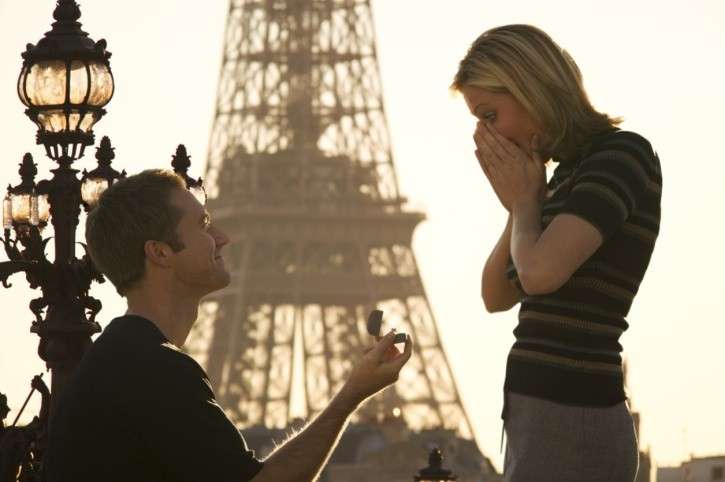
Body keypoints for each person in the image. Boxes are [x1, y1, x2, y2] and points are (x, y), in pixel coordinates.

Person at [44, 170, 412, 482]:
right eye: (203, 225)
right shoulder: (154, 369)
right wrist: (350, 396)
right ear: (160, 252)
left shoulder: (123, 359)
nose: (223, 237)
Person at [451, 25, 662, 482]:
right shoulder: (564, 177)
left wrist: (527, 205)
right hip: (540, 412)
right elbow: (496, 295)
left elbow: (540, 275)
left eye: (490, 114)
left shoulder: (621, 156)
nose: (483, 134)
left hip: (574, 412)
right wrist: (519, 206)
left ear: (530, 88)